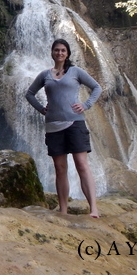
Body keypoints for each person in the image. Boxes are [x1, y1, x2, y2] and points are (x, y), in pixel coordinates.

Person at [25, 38, 102, 217]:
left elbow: (97, 87)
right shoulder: (45, 75)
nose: (59, 53)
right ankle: (63, 210)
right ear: (52, 52)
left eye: (63, 50)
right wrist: (41, 109)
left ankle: (94, 209)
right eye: (56, 50)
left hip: (75, 123)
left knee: (81, 164)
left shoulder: (75, 72)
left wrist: (86, 105)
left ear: (67, 53)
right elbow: (29, 94)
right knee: (60, 168)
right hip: (53, 126)